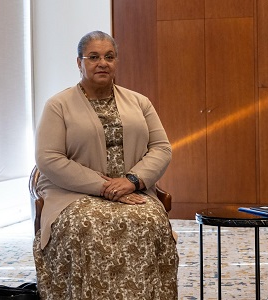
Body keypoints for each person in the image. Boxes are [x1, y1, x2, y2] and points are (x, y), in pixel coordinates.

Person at [33, 31, 178, 299]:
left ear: (116, 62)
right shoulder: (57, 105)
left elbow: (161, 147)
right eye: (94, 57)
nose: (103, 63)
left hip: (133, 190)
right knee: (87, 224)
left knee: (149, 221)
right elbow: (49, 158)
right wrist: (105, 187)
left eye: (109, 57)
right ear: (79, 63)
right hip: (74, 193)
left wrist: (132, 181)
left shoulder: (139, 102)